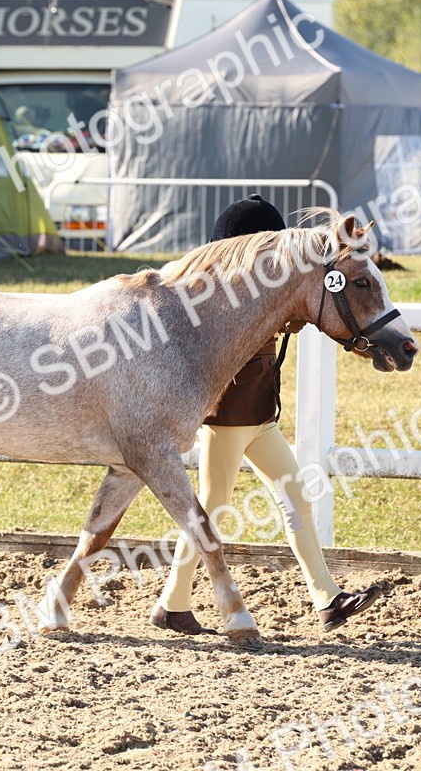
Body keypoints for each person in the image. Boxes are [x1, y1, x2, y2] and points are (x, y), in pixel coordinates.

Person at [149, 194, 382, 635]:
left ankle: (327, 599)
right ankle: (173, 603)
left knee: (295, 499)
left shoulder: (262, 295)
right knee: (212, 509)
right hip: (228, 415)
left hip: (259, 415)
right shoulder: (218, 296)